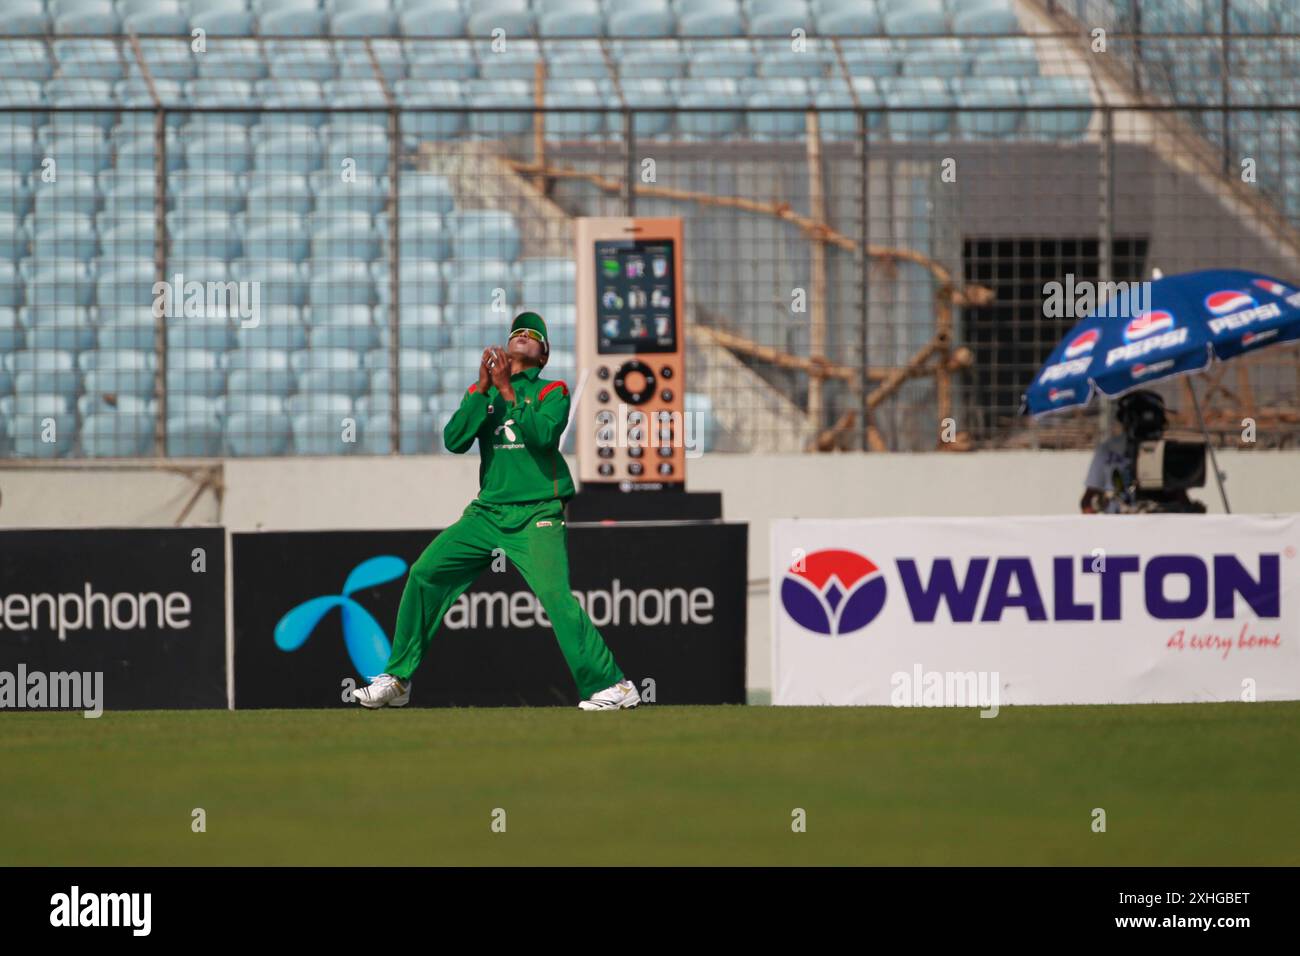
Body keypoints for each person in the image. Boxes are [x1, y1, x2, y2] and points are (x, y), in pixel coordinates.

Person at [353, 311, 640, 711]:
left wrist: (506, 392)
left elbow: (542, 437)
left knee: (556, 597)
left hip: (536, 512)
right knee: (424, 574)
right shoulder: (483, 392)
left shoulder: (551, 390)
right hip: (487, 513)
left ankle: (614, 685)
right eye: (517, 332)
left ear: (543, 355)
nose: (522, 336)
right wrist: (481, 391)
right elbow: (454, 440)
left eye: (532, 335)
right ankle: (398, 679)